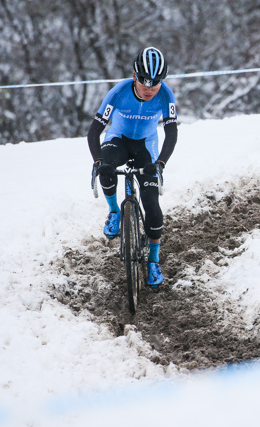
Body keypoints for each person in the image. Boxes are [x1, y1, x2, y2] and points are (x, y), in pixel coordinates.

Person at [87, 46, 178, 287]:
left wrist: (160, 164)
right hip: (118, 139)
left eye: (156, 83)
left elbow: (171, 131)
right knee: (106, 168)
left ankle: (153, 261)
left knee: (152, 206)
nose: (150, 88)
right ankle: (114, 211)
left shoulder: (166, 94)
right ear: (135, 76)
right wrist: (98, 162)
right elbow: (95, 130)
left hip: (145, 145)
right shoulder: (118, 92)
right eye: (145, 82)